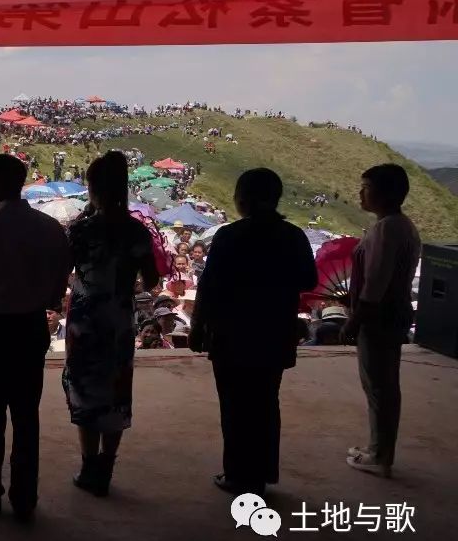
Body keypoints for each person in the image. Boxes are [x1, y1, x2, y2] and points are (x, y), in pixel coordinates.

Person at [0, 154, 71, 522]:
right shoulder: (50, 228)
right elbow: (57, 284)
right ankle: (25, 495)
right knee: (26, 414)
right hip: (29, 327)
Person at [190, 169, 316, 496]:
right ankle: (261, 475)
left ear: (242, 198)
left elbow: (208, 287)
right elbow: (308, 280)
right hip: (274, 332)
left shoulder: (229, 236)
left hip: (232, 333)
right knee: (265, 403)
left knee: (234, 405)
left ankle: (237, 474)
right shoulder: (293, 236)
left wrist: (197, 326)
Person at [62, 152, 159, 497]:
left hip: (85, 321)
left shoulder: (80, 229)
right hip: (118, 319)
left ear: (92, 187)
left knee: (86, 389)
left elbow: (62, 273)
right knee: (116, 390)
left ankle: (89, 466)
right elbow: (151, 279)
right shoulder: (136, 231)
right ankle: (106, 465)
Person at [343, 164, 422, 478]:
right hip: (392, 311)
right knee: (384, 384)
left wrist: (355, 318)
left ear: (386, 193)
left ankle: (380, 453)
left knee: (379, 385)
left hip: (380, 315)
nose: (360, 192)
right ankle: (379, 446)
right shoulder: (401, 225)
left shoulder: (387, 228)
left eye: (366, 186)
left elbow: (376, 281)